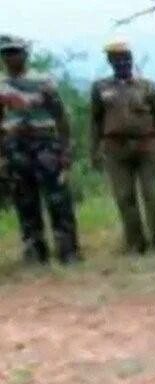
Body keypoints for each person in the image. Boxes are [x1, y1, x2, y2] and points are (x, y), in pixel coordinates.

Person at [0, 34, 80, 265]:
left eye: (15, 52)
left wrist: (65, 149)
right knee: (25, 201)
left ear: (25, 54)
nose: (11, 57)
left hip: (45, 144)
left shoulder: (43, 81)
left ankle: (68, 251)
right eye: (6, 53)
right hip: (15, 145)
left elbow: (61, 116)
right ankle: (34, 252)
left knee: (58, 200)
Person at [89, 38, 155, 254]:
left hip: (147, 147)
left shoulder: (147, 87)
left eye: (125, 58)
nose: (122, 63)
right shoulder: (100, 88)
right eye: (116, 59)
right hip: (115, 150)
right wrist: (94, 151)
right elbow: (96, 121)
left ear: (131, 59)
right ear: (110, 61)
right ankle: (135, 244)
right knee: (124, 198)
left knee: (152, 196)